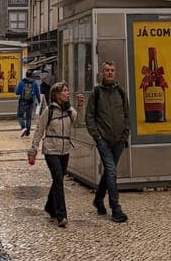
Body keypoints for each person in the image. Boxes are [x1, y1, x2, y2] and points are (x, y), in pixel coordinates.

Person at [28, 81, 80, 228]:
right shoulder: (49, 111)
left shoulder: (70, 110)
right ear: (57, 94)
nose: (67, 93)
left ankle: (49, 206)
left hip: (65, 150)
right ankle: (61, 214)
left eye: (68, 90)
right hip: (51, 149)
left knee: (58, 179)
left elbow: (79, 121)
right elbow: (39, 130)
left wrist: (80, 106)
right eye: (65, 90)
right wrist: (33, 149)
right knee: (58, 178)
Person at [85, 61, 130, 223]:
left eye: (112, 70)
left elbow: (127, 114)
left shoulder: (121, 92)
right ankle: (116, 208)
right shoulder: (96, 93)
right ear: (102, 73)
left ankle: (98, 199)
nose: (110, 73)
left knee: (109, 172)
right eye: (107, 70)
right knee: (111, 170)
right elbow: (89, 116)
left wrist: (125, 134)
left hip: (119, 139)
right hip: (103, 139)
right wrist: (97, 136)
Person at [15, 71, 41, 136]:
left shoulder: (21, 82)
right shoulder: (35, 83)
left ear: (26, 75)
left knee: (20, 116)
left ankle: (23, 127)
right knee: (28, 117)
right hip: (31, 102)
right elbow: (38, 93)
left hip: (22, 102)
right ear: (32, 75)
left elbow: (17, 92)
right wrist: (39, 101)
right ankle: (28, 132)